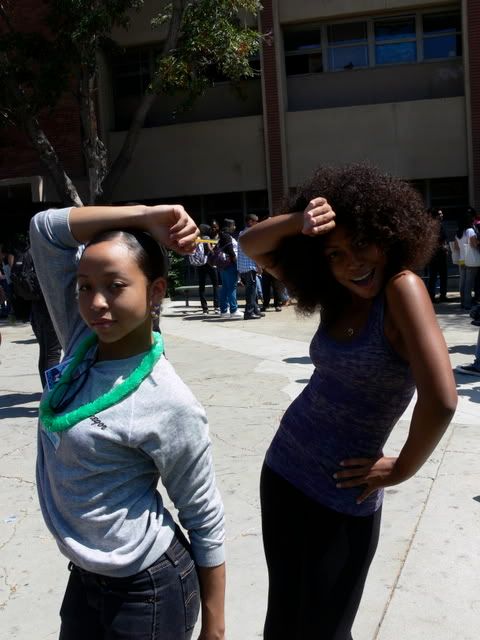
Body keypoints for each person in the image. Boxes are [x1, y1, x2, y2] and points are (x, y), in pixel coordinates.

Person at [240, 164, 457, 640]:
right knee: (282, 621)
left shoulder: (401, 287)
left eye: (361, 243)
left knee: (325, 630)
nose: (351, 263)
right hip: (283, 471)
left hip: (343, 494)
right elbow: (250, 244)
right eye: (334, 253)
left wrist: (403, 468)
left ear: (389, 235)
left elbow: (442, 399)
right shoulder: (336, 294)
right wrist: (300, 220)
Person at [29, 204, 226, 640]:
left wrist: (215, 626)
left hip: (147, 588)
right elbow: (44, 230)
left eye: (115, 286)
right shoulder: (81, 342)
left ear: (156, 291)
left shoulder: (168, 400)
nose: (96, 303)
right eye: (84, 287)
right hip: (86, 576)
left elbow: (203, 515)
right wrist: (145, 216)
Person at [237, 214, 264, 320]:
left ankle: (255, 310)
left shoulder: (241, 233)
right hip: (250, 266)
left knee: (252, 290)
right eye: (256, 221)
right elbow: (253, 252)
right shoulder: (251, 234)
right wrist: (259, 266)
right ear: (250, 222)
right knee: (251, 291)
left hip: (244, 267)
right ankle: (249, 313)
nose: (258, 223)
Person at [217, 219, 242, 319]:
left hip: (223, 266)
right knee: (232, 287)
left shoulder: (221, 236)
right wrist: (237, 264)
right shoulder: (227, 236)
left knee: (225, 287)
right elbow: (231, 252)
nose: (234, 227)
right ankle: (234, 310)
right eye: (233, 225)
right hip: (230, 265)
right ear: (229, 226)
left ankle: (224, 310)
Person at [455, 210, 478, 310]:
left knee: (462, 282)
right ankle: (467, 304)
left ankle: (462, 302)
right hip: (470, 260)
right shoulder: (470, 231)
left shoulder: (458, 233)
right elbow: (474, 244)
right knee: (469, 283)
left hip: (461, 260)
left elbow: (456, 247)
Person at [196, 224, 220, 314]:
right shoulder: (207, 238)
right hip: (210, 264)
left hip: (200, 264)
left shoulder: (197, 239)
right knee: (215, 284)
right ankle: (216, 306)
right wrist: (214, 248)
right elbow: (210, 249)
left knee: (201, 286)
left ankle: (205, 308)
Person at [426, 208, 448, 303]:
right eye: (440, 214)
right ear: (435, 215)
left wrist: (446, 246)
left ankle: (443, 295)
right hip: (434, 255)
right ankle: (431, 296)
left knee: (443, 275)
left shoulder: (441, 225)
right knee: (433, 276)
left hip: (442, 254)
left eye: (442, 213)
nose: (441, 215)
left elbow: (444, 239)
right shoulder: (431, 227)